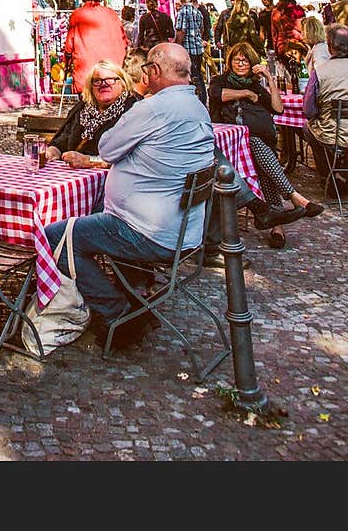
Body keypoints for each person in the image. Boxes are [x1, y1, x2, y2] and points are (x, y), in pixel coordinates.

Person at [43, 43, 214, 349]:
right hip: (183, 230)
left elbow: (107, 148)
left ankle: (117, 312)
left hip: (147, 231)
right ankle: (130, 300)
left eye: (147, 68)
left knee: (55, 235)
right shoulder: (196, 105)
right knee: (91, 215)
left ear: (156, 72)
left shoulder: (154, 108)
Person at [208, 41, 323, 248]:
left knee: (263, 159)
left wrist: (269, 79)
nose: (240, 63)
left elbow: (278, 109)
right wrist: (244, 94)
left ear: (252, 63)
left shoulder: (255, 85)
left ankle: (277, 222)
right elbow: (217, 95)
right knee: (257, 146)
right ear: (230, 61)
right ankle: (294, 197)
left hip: (259, 144)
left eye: (245, 60)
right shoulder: (221, 80)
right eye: (236, 59)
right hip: (233, 147)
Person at [46, 60, 140, 167]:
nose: (103, 84)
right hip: (74, 177)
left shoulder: (133, 109)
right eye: (97, 81)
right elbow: (63, 139)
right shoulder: (82, 108)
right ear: (91, 87)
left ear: (123, 83)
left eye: (110, 80)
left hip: (112, 179)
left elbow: (133, 157)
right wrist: (52, 151)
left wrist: (89, 161)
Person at [303, 23, 348, 188]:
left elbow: (308, 110)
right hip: (337, 132)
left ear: (330, 47)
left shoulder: (320, 72)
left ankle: (328, 176)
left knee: (308, 129)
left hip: (332, 134)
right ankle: (342, 172)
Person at [63, 0, 129, 95]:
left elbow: (69, 45)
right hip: (112, 70)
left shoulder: (77, 15)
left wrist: (67, 64)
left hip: (87, 73)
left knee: (88, 107)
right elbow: (123, 41)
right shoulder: (111, 14)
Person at [174, 0, 208, 104]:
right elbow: (202, 29)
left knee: (193, 75)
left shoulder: (183, 12)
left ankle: (199, 99)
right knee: (197, 74)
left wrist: (178, 47)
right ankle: (201, 98)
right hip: (198, 48)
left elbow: (181, 31)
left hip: (188, 49)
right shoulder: (197, 11)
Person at [270, 0, 306, 91]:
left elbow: (274, 33)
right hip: (297, 45)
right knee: (300, 75)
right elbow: (302, 28)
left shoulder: (275, 11)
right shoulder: (297, 10)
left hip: (281, 46)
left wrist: (276, 50)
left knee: (289, 76)